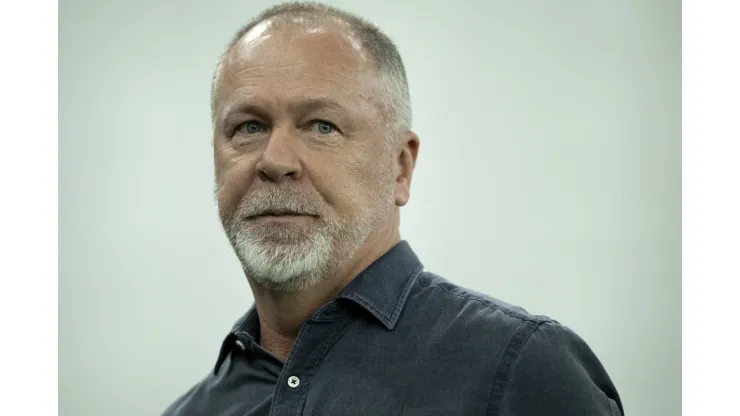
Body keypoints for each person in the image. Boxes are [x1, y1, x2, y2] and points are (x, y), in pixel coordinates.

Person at [162, 2, 624, 415]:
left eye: (322, 126)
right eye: (248, 127)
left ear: (400, 168)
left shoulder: (521, 370)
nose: (275, 161)